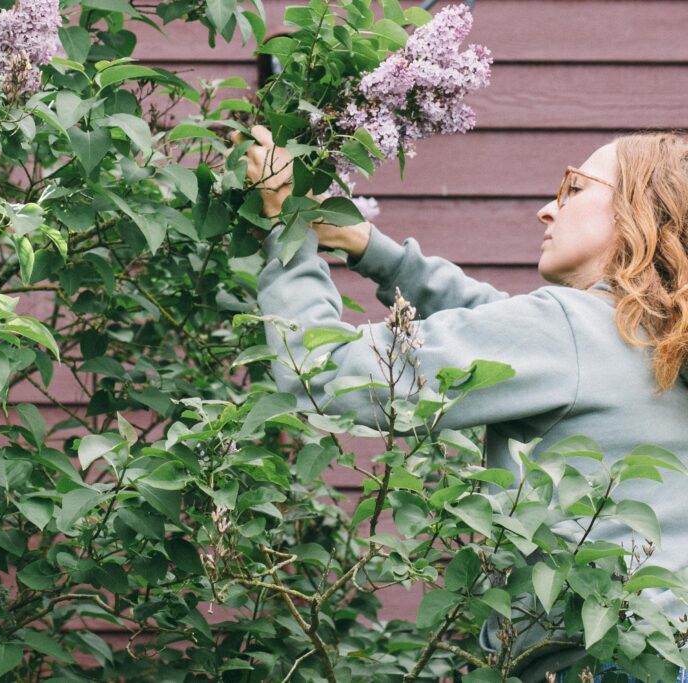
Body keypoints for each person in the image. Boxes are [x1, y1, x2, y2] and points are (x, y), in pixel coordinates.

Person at [239, 124, 688, 683]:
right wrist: (369, 248)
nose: (548, 210)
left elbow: (322, 373)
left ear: (641, 209)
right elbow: (514, 331)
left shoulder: (571, 331)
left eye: (574, 187)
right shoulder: (658, 337)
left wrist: (290, 233)